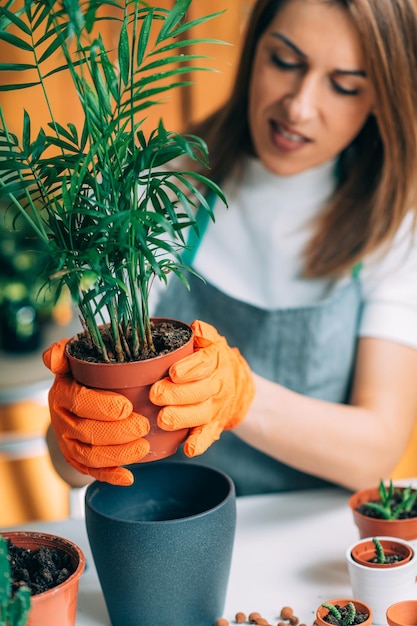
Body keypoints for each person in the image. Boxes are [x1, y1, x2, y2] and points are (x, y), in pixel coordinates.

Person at [44, 0, 417, 496]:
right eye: (284, 62)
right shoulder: (154, 191)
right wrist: (77, 436)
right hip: (149, 534)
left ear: (381, 99)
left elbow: (376, 452)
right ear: (252, 53)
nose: (299, 106)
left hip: (300, 552)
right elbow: (66, 463)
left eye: (345, 86)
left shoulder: (394, 227)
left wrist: (240, 395)